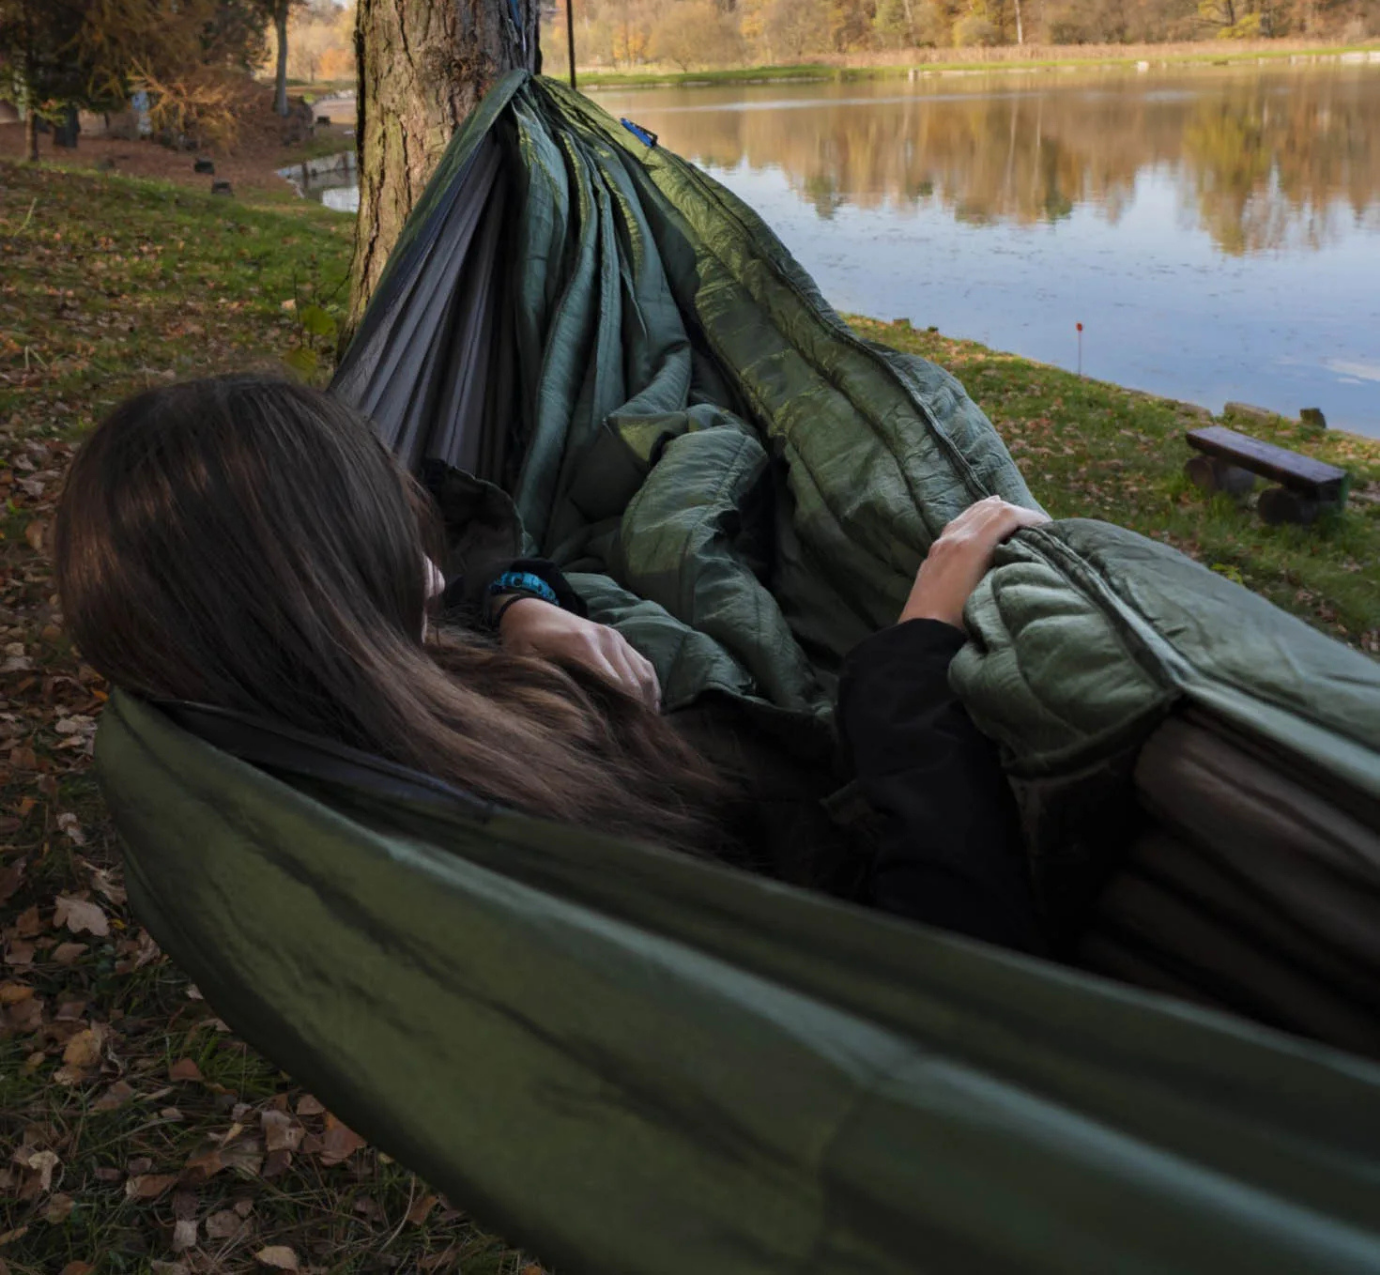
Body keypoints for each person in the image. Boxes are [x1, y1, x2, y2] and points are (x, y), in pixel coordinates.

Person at [54, 376, 1046, 954]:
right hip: (829, 768)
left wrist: (523, 601)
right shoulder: (546, 866)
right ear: (319, 612)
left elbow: (471, 551)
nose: (434, 576)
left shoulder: (297, 709)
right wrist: (914, 657)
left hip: (656, 673)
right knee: (705, 463)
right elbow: (944, 958)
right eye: (388, 558)